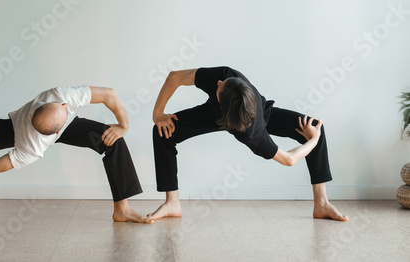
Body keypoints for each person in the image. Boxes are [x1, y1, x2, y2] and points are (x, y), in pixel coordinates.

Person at [148, 66, 348, 222]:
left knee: (315, 129)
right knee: (162, 132)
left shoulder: (253, 134)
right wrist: (158, 114)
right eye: (221, 83)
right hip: (218, 112)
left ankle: (321, 204)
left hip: (247, 118)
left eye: (219, 86)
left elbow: (289, 159)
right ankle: (172, 203)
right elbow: (175, 76)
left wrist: (314, 139)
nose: (218, 82)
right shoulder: (225, 77)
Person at [0, 86, 152, 223]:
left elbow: (109, 94)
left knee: (113, 139)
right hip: (23, 129)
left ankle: (122, 210)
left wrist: (123, 126)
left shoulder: (59, 95)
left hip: (56, 123)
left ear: (60, 104)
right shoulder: (29, 146)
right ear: (57, 133)